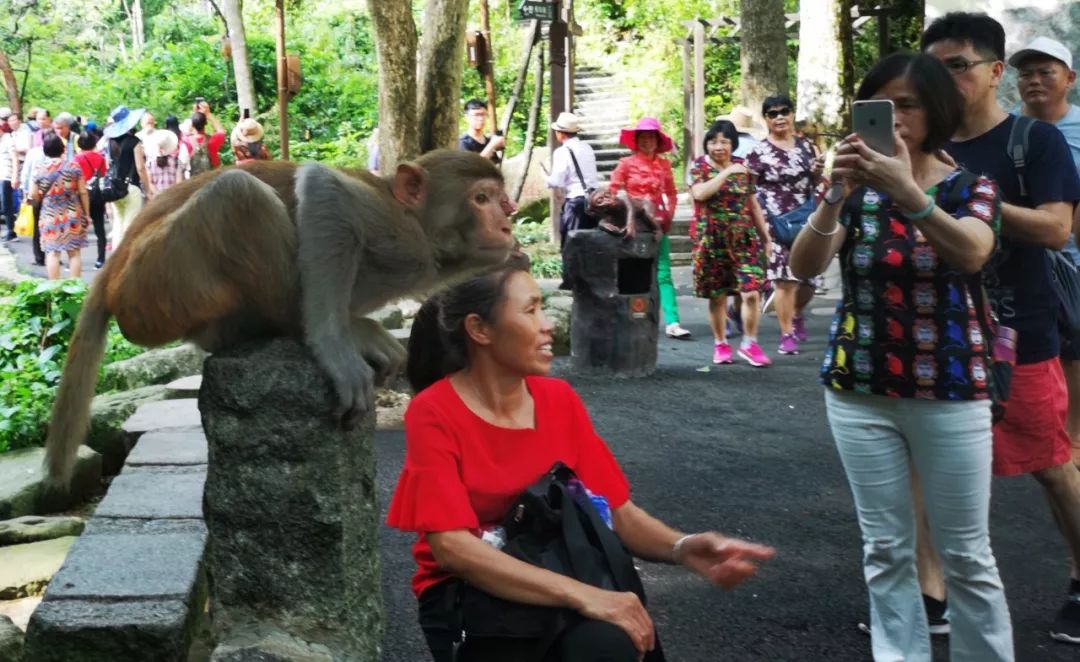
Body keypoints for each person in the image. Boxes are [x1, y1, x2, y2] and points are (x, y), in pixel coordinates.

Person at [388, 264, 775, 662]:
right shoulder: (434, 411)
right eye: (531, 310)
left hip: (559, 568)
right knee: (604, 638)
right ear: (479, 329)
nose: (546, 324)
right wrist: (586, 597)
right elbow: (452, 549)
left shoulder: (558, 400)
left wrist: (682, 547)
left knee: (612, 640)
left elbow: (616, 512)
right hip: (469, 594)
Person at [790, 51, 1014, 661]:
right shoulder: (856, 192)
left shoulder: (971, 186)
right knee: (885, 548)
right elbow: (802, 268)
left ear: (937, 109)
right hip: (858, 388)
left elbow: (971, 252)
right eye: (881, 106)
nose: (895, 118)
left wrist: (909, 193)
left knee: (967, 553)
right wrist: (834, 196)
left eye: (907, 104)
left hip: (950, 390)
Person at [921, 12, 1080, 644]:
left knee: (1051, 463)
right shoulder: (917, 138)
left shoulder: (1032, 141)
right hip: (933, 330)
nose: (944, 79)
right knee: (925, 466)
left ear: (993, 72)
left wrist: (967, 194)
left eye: (957, 65)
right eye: (934, 67)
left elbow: (1056, 228)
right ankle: (930, 595)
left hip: (1019, 331)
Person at [1012, 36, 1080, 465]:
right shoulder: (1009, 131)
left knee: (1075, 348)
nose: (1034, 81)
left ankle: (1073, 436)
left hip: (1072, 258)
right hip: (1021, 254)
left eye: (1045, 72)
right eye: (1026, 74)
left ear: (1068, 79)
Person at [745, 95, 824, 356]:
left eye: (784, 112)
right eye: (772, 113)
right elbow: (750, 189)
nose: (779, 117)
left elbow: (816, 182)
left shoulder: (807, 146)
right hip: (775, 220)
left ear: (792, 114)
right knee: (784, 281)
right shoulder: (758, 151)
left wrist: (816, 171)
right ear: (766, 119)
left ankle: (797, 313)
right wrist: (760, 227)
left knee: (810, 281)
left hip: (805, 218)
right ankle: (786, 333)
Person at [689, 119, 772, 367]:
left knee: (751, 292)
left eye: (724, 141)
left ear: (733, 144)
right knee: (718, 297)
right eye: (713, 141)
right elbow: (700, 193)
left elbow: (753, 205)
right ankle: (721, 343)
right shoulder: (699, 167)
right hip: (711, 240)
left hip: (744, 240)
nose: (718, 146)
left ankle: (749, 343)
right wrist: (726, 172)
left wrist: (766, 238)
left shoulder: (744, 169)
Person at [609, 117, 689, 339]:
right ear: (636, 140)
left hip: (657, 224)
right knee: (633, 274)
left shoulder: (664, 165)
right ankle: (632, 319)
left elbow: (672, 193)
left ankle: (672, 322)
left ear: (657, 139)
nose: (647, 140)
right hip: (633, 224)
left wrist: (669, 218)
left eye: (650, 136)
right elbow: (613, 191)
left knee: (663, 273)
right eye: (642, 136)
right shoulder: (625, 164)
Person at [546, 112, 599, 285]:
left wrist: (545, 177)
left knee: (570, 242)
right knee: (590, 243)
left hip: (575, 202)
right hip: (593, 201)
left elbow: (557, 180)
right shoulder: (587, 148)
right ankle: (590, 278)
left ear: (560, 133)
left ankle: (571, 281)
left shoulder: (562, 152)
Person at [31, 133, 90, 280]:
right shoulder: (73, 166)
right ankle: (75, 289)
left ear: (45, 150)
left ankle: (55, 289)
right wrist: (86, 213)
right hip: (72, 213)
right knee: (74, 252)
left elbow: (34, 194)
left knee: (52, 252)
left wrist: (43, 197)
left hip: (49, 214)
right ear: (62, 148)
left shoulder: (39, 168)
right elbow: (83, 191)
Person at [103, 105, 152, 249]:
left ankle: (116, 258)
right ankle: (126, 260)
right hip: (131, 188)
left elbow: (109, 165)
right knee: (130, 226)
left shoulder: (110, 142)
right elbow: (140, 168)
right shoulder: (134, 142)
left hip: (115, 188)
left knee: (118, 224)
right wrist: (148, 189)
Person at [459, 99, 505, 164]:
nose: (480, 118)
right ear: (467, 117)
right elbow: (471, 167)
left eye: (483, 114)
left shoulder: (488, 141)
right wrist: (492, 145)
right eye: (476, 115)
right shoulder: (463, 143)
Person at [188, 101, 226, 175]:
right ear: (206, 123)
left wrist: (195, 114)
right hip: (212, 177)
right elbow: (221, 131)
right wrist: (208, 114)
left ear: (193, 124)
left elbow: (187, 131)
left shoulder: (187, 141)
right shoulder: (212, 141)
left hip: (195, 180)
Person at [145, 128, 182, 197]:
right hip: (172, 197)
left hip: (156, 199)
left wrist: (158, 194)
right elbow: (179, 183)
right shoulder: (176, 161)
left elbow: (150, 183)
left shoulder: (149, 163)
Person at [0, 108, 15, 241]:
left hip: (6, 176)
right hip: (1, 175)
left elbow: (14, 158)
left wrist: (15, 176)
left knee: (6, 204)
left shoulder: (8, 139)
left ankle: (11, 231)